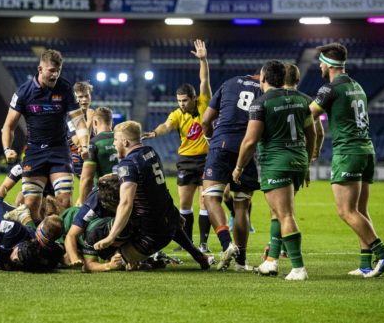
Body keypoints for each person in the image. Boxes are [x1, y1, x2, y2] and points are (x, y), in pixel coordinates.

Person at [309, 43, 384, 278]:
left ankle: (383, 254)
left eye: (321, 61)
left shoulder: (330, 88)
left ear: (328, 64)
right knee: (360, 210)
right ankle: (366, 264)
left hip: (348, 152)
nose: (318, 64)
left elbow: (309, 115)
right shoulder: (356, 86)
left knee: (346, 211)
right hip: (366, 151)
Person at [233, 60, 316, 281]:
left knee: (285, 214)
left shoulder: (261, 103)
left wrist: (239, 167)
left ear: (264, 78)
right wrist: (307, 163)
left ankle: (298, 268)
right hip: (298, 162)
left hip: (276, 164)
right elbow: (313, 135)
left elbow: (250, 141)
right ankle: (270, 261)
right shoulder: (303, 100)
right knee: (279, 212)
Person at [93, 121, 212, 270]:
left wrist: (110, 237)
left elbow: (126, 203)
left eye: (116, 140)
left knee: (111, 258)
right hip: (170, 221)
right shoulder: (150, 152)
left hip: (152, 235)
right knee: (164, 220)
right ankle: (199, 256)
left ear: (125, 141)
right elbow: (158, 190)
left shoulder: (128, 165)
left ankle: (146, 262)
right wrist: (175, 214)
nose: (114, 144)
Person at [2, 49, 90, 222]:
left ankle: (63, 243)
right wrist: (7, 149)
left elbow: (79, 122)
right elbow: (8, 126)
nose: (55, 75)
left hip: (59, 150)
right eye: (51, 70)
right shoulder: (23, 92)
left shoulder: (65, 88)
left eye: (58, 71)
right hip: (35, 151)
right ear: (40, 69)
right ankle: (37, 240)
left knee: (64, 199)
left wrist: (85, 145)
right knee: (31, 202)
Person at [141, 39, 212, 253]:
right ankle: (188, 243)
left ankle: (204, 243)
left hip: (206, 158)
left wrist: (203, 60)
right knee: (184, 204)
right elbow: (167, 125)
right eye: (179, 100)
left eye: (184, 100)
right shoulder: (177, 114)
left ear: (193, 98)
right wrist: (154, 132)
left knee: (205, 202)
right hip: (186, 161)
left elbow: (204, 80)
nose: (181, 104)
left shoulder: (203, 103)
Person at [201, 70, 262, 271]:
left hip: (222, 145)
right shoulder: (265, 89)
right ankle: (241, 261)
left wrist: (211, 140)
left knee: (211, 197)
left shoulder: (228, 83)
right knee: (242, 205)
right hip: (247, 148)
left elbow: (206, 120)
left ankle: (227, 244)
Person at [77, 107, 118, 205]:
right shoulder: (122, 139)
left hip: (105, 196)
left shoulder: (94, 143)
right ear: (111, 122)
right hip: (125, 193)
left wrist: (83, 204)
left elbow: (87, 179)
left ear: (95, 122)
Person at [68, 81, 95, 178]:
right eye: (80, 97)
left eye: (86, 96)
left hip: (90, 160)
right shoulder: (69, 116)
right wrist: (90, 120)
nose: (84, 100)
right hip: (74, 162)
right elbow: (78, 141)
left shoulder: (92, 113)